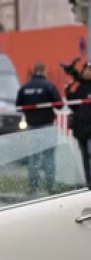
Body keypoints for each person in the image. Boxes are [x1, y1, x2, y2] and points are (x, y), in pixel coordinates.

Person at [17, 62, 63, 195]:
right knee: (48, 157)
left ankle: (32, 187)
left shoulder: (25, 87)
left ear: (34, 70)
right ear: (44, 70)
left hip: (31, 126)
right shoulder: (49, 86)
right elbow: (59, 105)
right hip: (47, 126)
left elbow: (18, 106)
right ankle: (51, 186)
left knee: (33, 158)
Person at [67, 61, 91, 186]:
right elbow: (73, 105)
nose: (87, 72)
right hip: (81, 128)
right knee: (85, 158)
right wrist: (69, 91)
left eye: (90, 69)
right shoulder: (80, 86)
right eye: (85, 69)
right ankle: (88, 182)